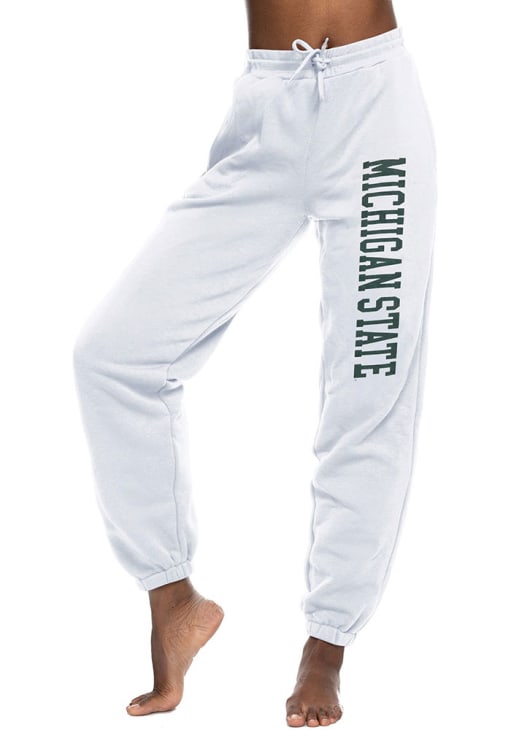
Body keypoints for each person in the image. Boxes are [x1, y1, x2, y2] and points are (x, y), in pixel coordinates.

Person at [72, 0, 437, 726]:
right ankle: (173, 599)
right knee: (112, 355)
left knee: (367, 394)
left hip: (375, 117)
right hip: (268, 110)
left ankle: (326, 645)